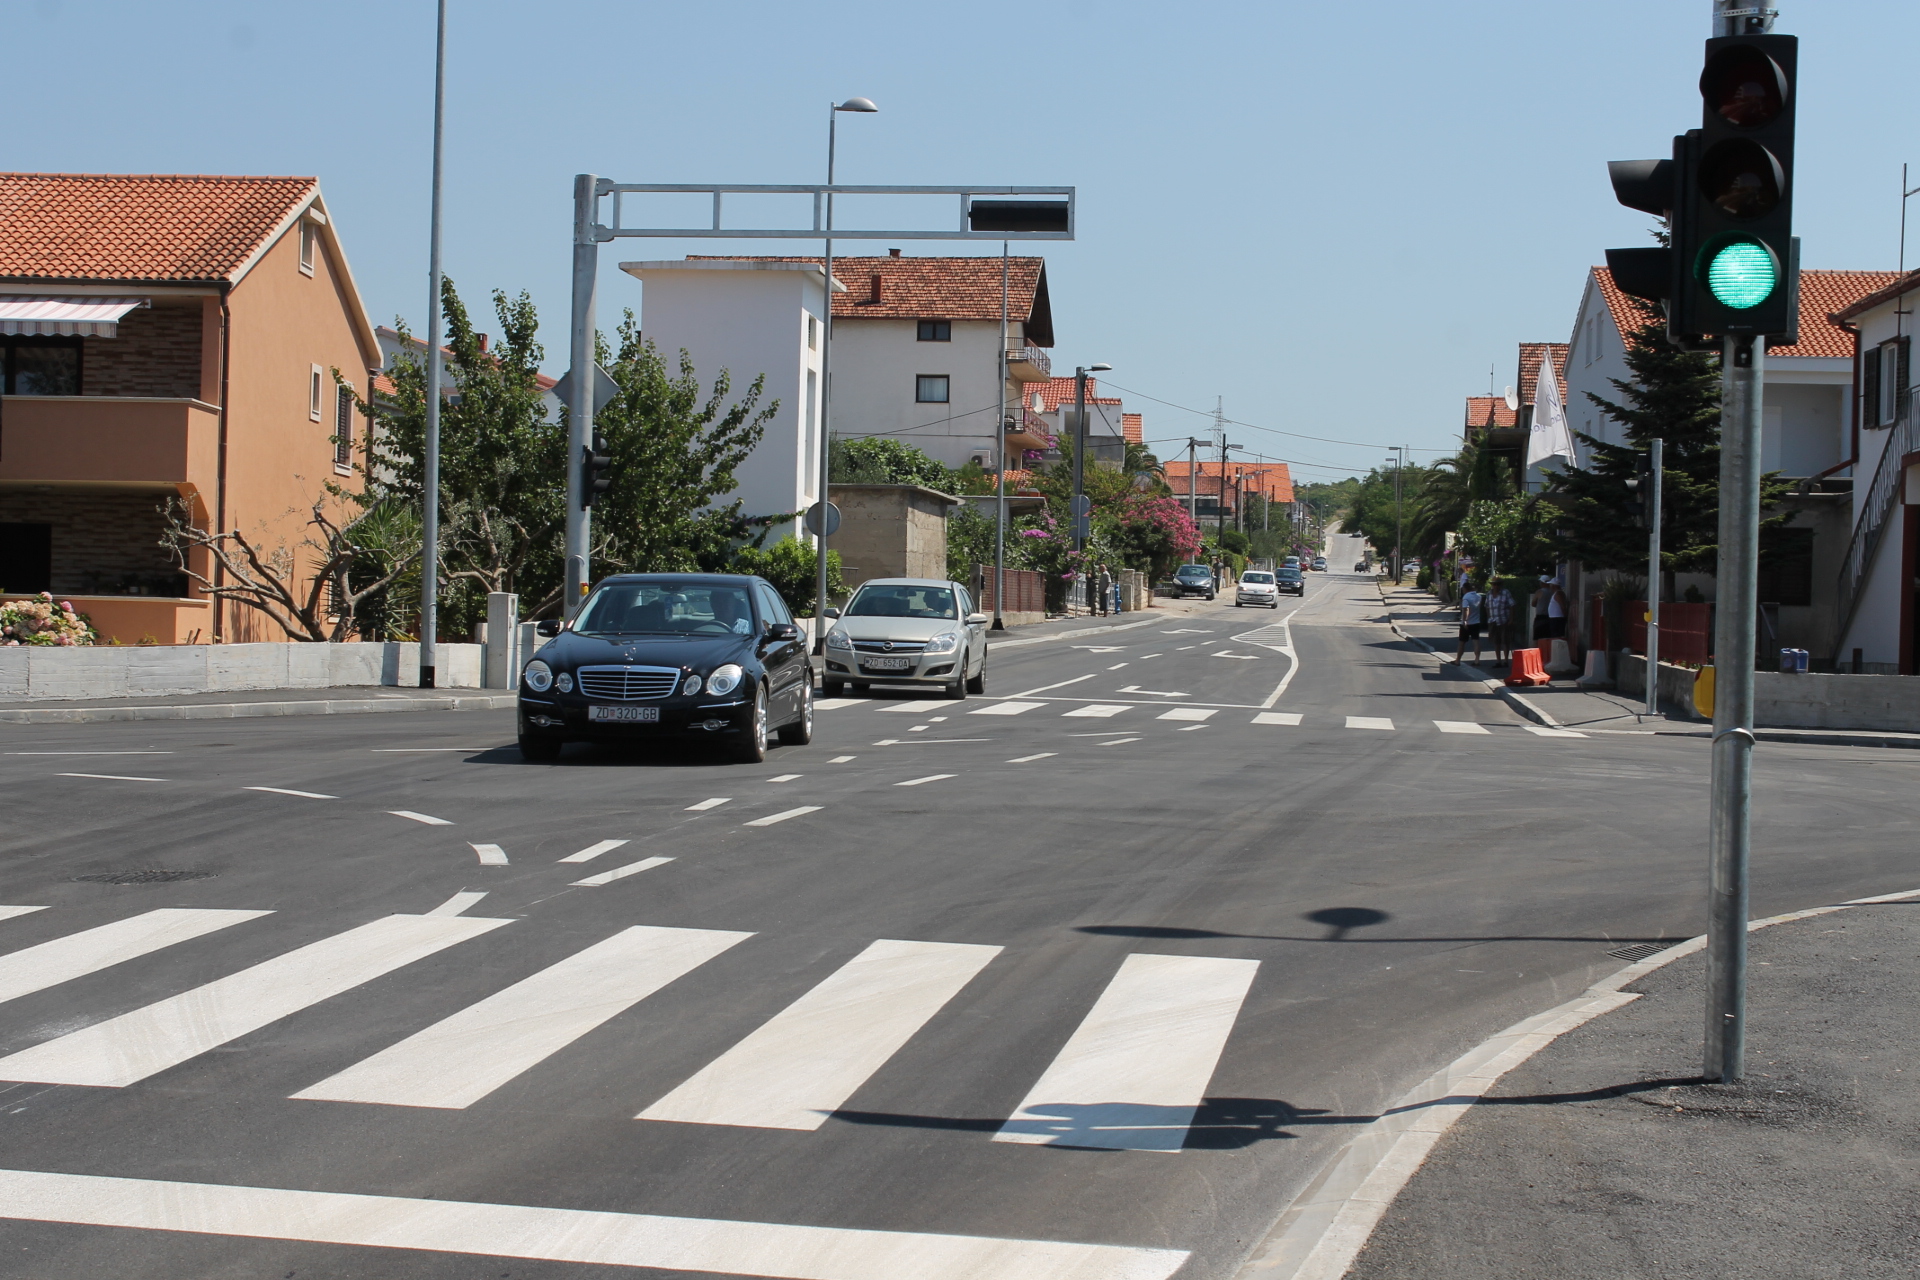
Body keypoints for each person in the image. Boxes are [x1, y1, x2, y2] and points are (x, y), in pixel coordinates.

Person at [1454, 580, 1485, 665]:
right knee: (1476, 640)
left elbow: (1466, 609)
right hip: (1476, 622)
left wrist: (1465, 620)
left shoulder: (1466, 597)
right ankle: (1477, 659)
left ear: (1465, 589)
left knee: (1462, 642)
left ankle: (1458, 660)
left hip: (1467, 623)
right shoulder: (1478, 596)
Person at [1485, 578, 1515, 663]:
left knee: (1505, 641)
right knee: (1496, 642)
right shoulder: (1489, 594)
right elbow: (1486, 606)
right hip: (1493, 621)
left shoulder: (1505, 593)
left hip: (1504, 620)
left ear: (1501, 585)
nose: (1496, 586)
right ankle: (1498, 661)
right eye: (1494, 584)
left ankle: (1506, 660)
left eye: (1498, 584)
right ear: (1492, 585)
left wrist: (1511, 619)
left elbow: (1512, 605)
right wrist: (1489, 617)